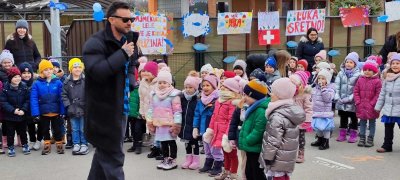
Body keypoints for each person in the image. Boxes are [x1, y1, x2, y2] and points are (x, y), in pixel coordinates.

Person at [82, 1, 139, 179]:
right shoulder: (95, 43)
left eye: (132, 19)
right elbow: (97, 72)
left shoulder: (129, 42)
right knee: (114, 157)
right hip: (103, 113)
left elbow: (132, 66)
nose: (129, 22)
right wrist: (122, 54)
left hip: (121, 108)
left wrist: (130, 81)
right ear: (111, 20)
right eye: (125, 19)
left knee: (104, 155)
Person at [260, 78, 305, 180]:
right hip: (286, 158)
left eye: (273, 92)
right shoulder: (290, 111)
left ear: (281, 95)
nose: (270, 94)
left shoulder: (277, 116)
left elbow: (273, 140)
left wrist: (267, 158)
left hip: (276, 159)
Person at [203, 77, 241, 179]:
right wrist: (210, 130)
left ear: (232, 90)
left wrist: (228, 135)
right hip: (218, 130)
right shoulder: (219, 101)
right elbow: (214, 117)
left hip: (227, 133)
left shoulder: (232, 102)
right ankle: (226, 172)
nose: (223, 88)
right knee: (225, 154)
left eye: (226, 87)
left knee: (232, 154)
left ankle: (233, 174)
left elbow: (231, 120)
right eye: (222, 86)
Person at [147, 68, 182, 170]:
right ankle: (165, 158)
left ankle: (173, 159)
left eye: (164, 82)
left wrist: (177, 123)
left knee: (171, 141)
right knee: (163, 142)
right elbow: (151, 108)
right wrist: (150, 121)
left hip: (170, 124)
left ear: (169, 83)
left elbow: (177, 111)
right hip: (159, 124)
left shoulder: (174, 95)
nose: (162, 84)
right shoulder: (154, 95)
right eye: (160, 82)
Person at [30, 60, 65, 155]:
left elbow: (62, 98)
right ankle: (46, 143)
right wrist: (35, 113)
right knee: (45, 129)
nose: (49, 71)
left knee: (57, 129)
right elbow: (33, 98)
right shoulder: (37, 84)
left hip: (56, 111)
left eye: (50, 69)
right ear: (41, 72)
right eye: (46, 70)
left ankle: (59, 143)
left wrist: (62, 111)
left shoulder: (58, 82)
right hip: (43, 112)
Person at [238, 80, 269, 180]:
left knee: (256, 172)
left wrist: (248, 140)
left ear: (255, 96)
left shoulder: (260, 110)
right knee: (249, 171)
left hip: (255, 147)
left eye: (247, 95)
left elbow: (258, 130)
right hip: (250, 147)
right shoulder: (252, 107)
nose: (244, 97)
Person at [0, 67, 30, 157]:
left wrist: (23, 110)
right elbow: (3, 102)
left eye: (18, 76)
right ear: (10, 78)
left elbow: (27, 100)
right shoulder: (5, 88)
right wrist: (13, 110)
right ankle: (11, 147)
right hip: (10, 116)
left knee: (23, 132)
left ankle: (25, 145)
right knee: (10, 132)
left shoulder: (24, 86)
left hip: (22, 114)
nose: (17, 79)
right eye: (15, 77)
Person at [61, 58, 88, 155]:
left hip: (83, 108)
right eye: (75, 67)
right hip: (72, 109)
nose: (77, 69)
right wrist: (68, 105)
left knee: (83, 128)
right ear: (70, 69)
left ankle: (84, 144)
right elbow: (64, 95)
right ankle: (76, 143)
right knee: (74, 128)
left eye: (79, 67)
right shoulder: (67, 82)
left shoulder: (86, 80)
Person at [375, 53, 400, 153]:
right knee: (388, 128)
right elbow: (382, 94)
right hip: (389, 108)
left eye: (397, 63)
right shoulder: (387, 78)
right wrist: (378, 106)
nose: (395, 65)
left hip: (399, 109)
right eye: (393, 63)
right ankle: (387, 146)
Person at [335, 52, 361, 143]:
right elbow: (337, 86)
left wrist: (350, 98)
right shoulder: (340, 73)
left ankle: (353, 134)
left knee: (354, 118)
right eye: (347, 62)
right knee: (343, 117)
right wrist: (337, 97)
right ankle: (342, 134)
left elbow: (358, 89)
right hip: (341, 100)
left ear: (355, 64)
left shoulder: (358, 75)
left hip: (352, 101)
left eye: (351, 62)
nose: (348, 64)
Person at [194, 75, 219, 174]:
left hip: (213, 129)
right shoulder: (201, 101)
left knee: (215, 149)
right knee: (207, 148)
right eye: (203, 85)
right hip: (203, 128)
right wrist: (195, 127)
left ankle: (218, 165)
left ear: (213, 86)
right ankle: (208, 164)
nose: (205, 88)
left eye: (208, 85)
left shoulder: (217, 100)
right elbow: (197, 115)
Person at [354, 61, 382, 147]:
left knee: (372, 123)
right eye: (365, 69)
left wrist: (372, 103)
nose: (367, 71)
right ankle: (362, 138)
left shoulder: (377, 81)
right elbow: (356, 91)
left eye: (370, 70)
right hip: (361, 105)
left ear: (374, 71)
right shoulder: (360, 80)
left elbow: (379, 94)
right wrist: (358, 101)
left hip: (372, 107)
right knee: (362, 122)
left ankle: (370, 138)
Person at [139, 62, 162, 159]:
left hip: (157, 111)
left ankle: (160, 149)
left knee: (159, 130)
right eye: (145, 71)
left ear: (153, 72)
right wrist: (142, 111)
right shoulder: (142, 82)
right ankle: (155, 148)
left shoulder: (159, 83)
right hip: (147, 111)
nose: (145, 73)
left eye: (148, 71)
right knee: (151, 129)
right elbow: (142, 98)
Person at [289, 71, 312, 163]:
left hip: (300, 121)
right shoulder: (290, 93)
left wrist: (307, 120)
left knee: (301, 138)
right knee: (290, 138)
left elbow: (309, 108)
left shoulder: (305, 94)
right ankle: (290, 154)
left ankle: (301, 154)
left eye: (296, 84)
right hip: (290, 120)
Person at [179, 76, 202, 170]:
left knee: (194, 143)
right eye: (186, 87)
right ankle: (188, 159)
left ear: (195, 88)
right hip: (185, 125)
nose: (188, 90)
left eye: (190, 87)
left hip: (194, 125)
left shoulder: (198, 99)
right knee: (187, 143)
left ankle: (196, 160)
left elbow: (199, 113)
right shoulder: (182, 98)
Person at [310, 69, 335, 150]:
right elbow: (312, 98)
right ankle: (320, 139)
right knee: (318, 127)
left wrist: (324, 89)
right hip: (316, 111)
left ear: (327, 80)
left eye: (323, 78)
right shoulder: (315, 88)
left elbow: (328, 99)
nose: (320, 80)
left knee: (325, 128)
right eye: (319, 78)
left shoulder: (330, 89)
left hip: (325, 112)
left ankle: (326, 141)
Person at [19, 62, 41, 151]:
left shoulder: (36, 82)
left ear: (32, 74)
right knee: (30, 125)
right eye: (24, 73)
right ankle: (32, 140)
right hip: (26, 108)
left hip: (37, 107)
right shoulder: (19, 84)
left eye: (28, 73)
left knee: (40, 124)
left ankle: (39, 140)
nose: (26, 75)